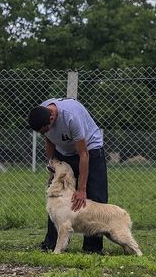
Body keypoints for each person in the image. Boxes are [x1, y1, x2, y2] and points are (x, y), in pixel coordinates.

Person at [28, 98, 108, 254]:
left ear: (52, 118)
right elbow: (49, 141)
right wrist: (52, 168)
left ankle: (92, 248)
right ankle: (52, 243)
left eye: (45, 129)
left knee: (95, 197)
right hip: (64, 151)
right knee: (57, 198)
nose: (44, 133)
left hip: (89, 149)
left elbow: (83, 155)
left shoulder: (71, 117)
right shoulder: (42, 113)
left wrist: (82, 189)